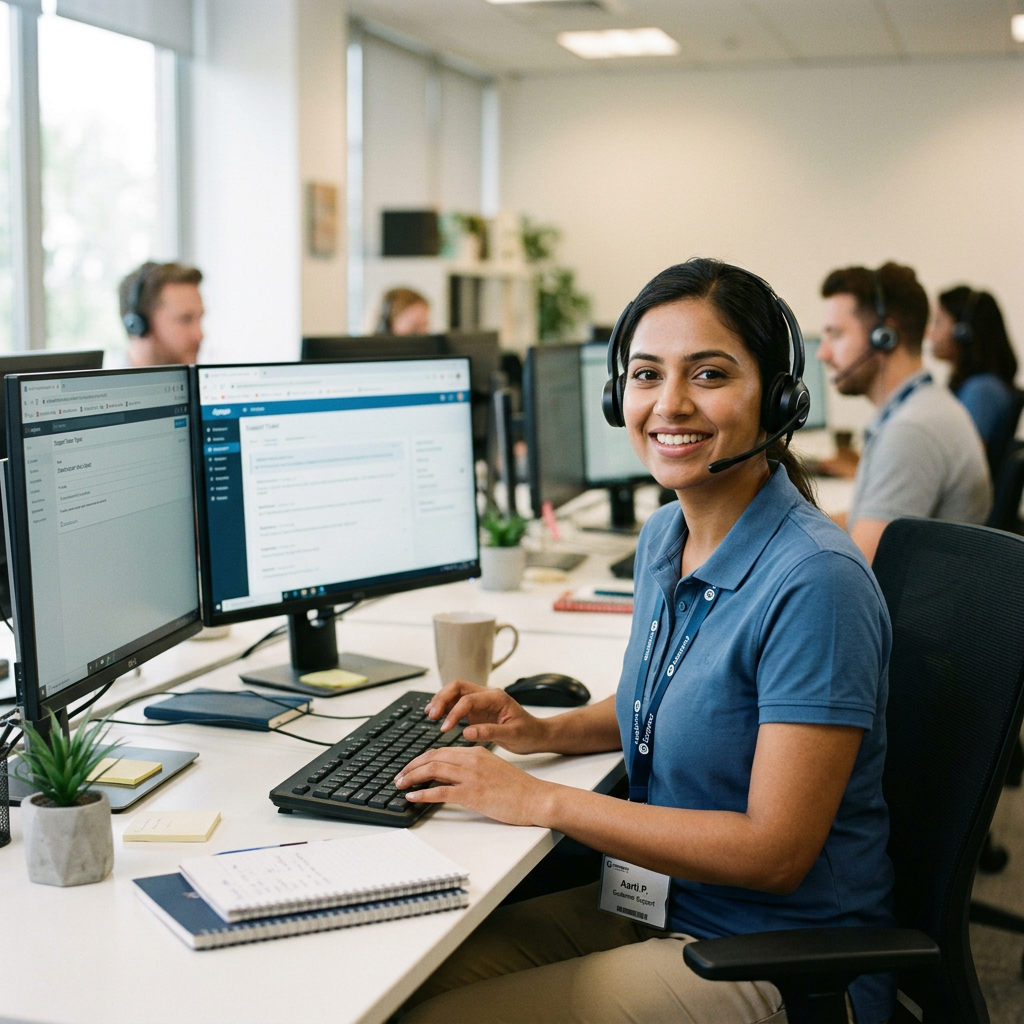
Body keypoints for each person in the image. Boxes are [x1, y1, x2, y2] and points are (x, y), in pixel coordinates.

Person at [396, 259, 896, 1024]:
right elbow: (664, 703)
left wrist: (539, 800)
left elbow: (775, 850)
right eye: (645, 374)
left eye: (709, 374)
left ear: (779, 397)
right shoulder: (668, 534)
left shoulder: (815, 582)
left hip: (780, 956)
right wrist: (541, 731)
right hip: (661, 902)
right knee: (404, 987)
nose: (670, 404)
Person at [818, 262, 990, 564]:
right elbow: (867, 519)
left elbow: (861, 573)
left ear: (885, 336)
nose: (823, 353)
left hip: (912, 609)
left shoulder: (910, 431)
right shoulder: (922, 407)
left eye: (836, 335)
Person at [928, 286, 1019, 463]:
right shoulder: (980, 387)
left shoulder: (981, 392)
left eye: (938, 322)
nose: (929, 334)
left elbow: (964, 467)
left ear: (962, 332)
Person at [118, 261, 205, 366]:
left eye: (199, 319)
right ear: (138, 325)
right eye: (185, 320)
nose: (200, 335)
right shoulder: (102, 382)